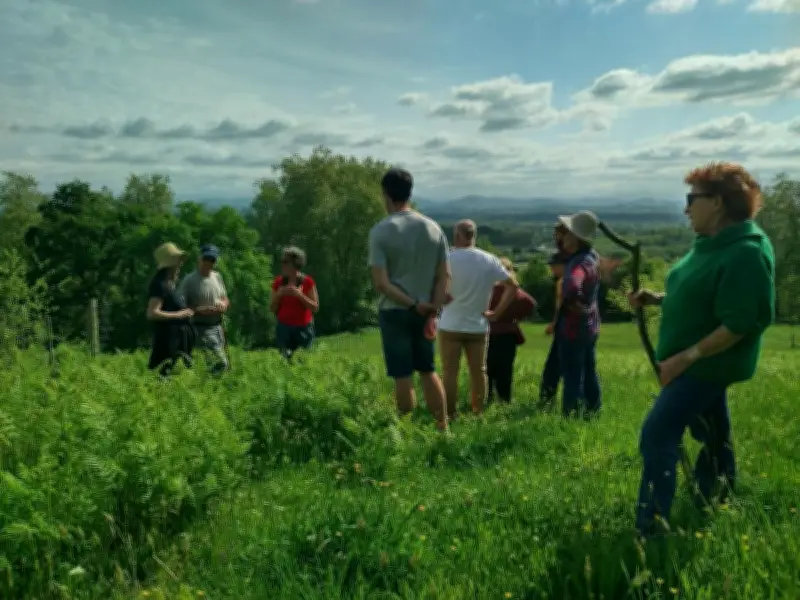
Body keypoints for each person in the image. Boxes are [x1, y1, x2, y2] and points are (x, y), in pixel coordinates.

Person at [628, 162, 775, 537]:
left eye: (692, 198)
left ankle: (653, 526)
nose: (686, 207)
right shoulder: (712, 245)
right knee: (711, 432)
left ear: (719, 203)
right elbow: (703, 296)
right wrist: (658, 298)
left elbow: (739, 323)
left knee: (658, 434)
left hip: (704, 367)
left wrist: (683, 359)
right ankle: (717, 494)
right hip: (696, 365)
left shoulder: (745, 253)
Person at [368, 167, 450, 430]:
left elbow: (381, 283)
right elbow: (443, 276)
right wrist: (432, 311)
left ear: (385, 194)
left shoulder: (381, 231)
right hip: (425, 312)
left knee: (402, 376)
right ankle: (442, 427)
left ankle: (407, 431)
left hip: (395, 312)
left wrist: (413, 304)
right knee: (428, 370)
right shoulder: (433, 228)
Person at [438, 220, 519, 416]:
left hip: (450, 324)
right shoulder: (489, 260)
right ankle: (478, 412)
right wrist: (497, 313)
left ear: (457, 236)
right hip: (478, 325)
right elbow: (513, 285)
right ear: (473, 236)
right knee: (479, 371)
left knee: (450, 371)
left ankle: (449, 413)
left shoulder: (446, 258)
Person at [552, 210, 602, 418]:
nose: (563, 237)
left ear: (576, 238)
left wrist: (572, 302)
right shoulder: (592, 257)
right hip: (590, 326)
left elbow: (573, 285)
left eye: (567, 234)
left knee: (572, 376)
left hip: (573, 329)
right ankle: (593, 411)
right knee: (589, 371)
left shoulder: (577, 264)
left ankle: (570, 417)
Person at [486, 257, 536, 403]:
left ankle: (485, 397)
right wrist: (516, 316)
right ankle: (504, 399)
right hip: (508, 333)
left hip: (486, 332)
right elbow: (530, 303)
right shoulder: (514, 291)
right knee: (505, 369)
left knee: (486, 368)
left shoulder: (487, 290)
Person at [146, 242, 196, 378]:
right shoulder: (159, 285)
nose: (180, 264)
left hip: (177, 339)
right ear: (171, 263)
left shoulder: (170, 284)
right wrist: (179, 314)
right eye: (178, 260)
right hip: (167, 341)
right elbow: (152, 313)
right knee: (163, 376)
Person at [179, 244, 230, 375]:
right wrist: (200, 310)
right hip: (199, 327)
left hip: (217, 327)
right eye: (206, 259)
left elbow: (224, 297)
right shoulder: (189, 280)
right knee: (221, 363)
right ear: (200, 259)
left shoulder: (217, 277)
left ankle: (209, 388)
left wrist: (223, 304)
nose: (208, 263)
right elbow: (180, 305)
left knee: (213, 366)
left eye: (212, 260)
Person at [271, 246, 319, 360]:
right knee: (285, 361)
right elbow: (272, 308)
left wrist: (299, 295)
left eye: (286, 262)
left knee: (303, 361)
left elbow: (315, 307)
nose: (282, 265)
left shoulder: (307, 282)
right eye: (282, 261)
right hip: (284, 329)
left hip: (303, 329)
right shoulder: (278, 283)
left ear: (296, 263)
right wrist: (279, 294)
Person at [538, 252, 568, 409]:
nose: (551, 270)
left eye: (553, 266)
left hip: (564, 328)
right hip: (572, 328)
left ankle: (547, 400)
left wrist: (554, 324)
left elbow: (561, 307)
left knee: (553, 368)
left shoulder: (563, 282)